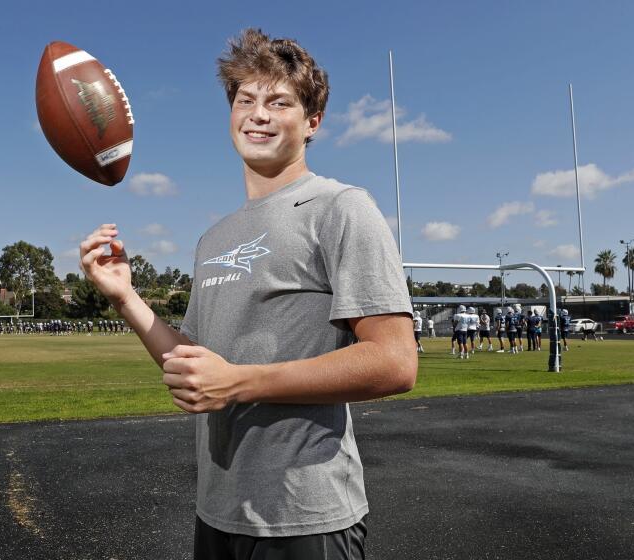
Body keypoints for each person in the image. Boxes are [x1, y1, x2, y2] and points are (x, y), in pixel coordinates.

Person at [79, 28, 416, 559]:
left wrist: (241, 383)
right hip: (218, 512)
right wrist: (126, 299)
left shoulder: (341, 207)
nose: (258, 114)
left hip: (305, 518)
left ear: (312, 123)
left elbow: (395, 362)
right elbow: (193, 364)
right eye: (245, 100)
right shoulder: (213, 238)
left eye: (279, 102)